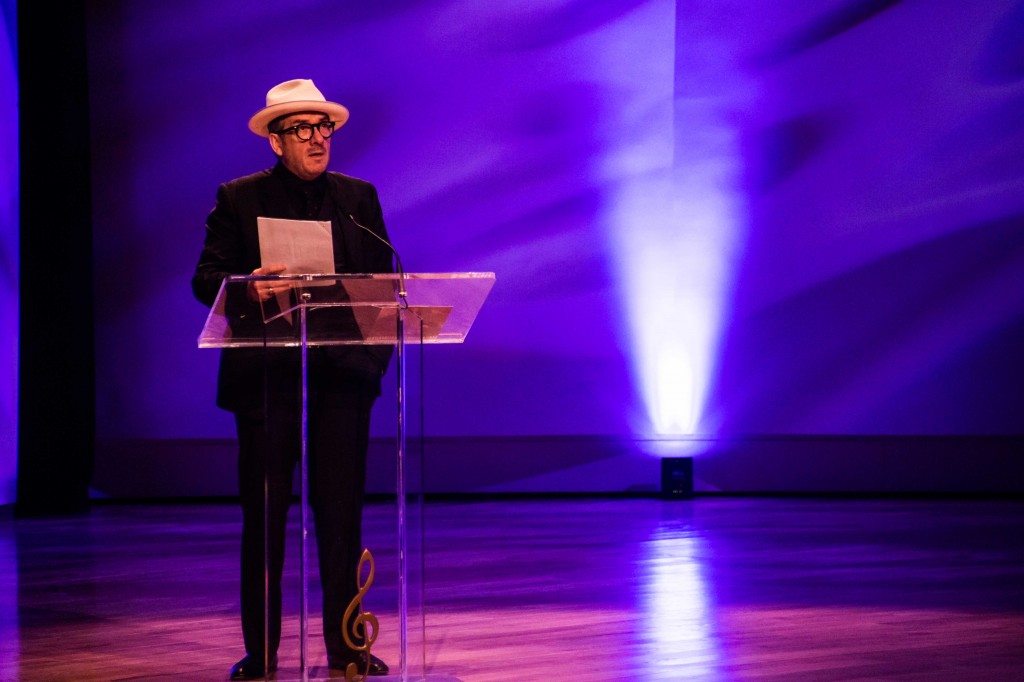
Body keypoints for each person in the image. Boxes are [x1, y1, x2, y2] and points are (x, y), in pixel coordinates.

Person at [192, 78, 394, 680]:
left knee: (342, 519)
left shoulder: (357, 198)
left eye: (323, 126)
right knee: (265, 520)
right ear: (276, 141)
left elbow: (384, 286)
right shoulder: (239, 197)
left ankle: (347, 648)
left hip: (342, 381)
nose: (316, 138)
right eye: (302, 129)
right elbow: (206, 280)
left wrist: (371, 366)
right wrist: (250, 286)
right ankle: (261, 655)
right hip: (268, 382)